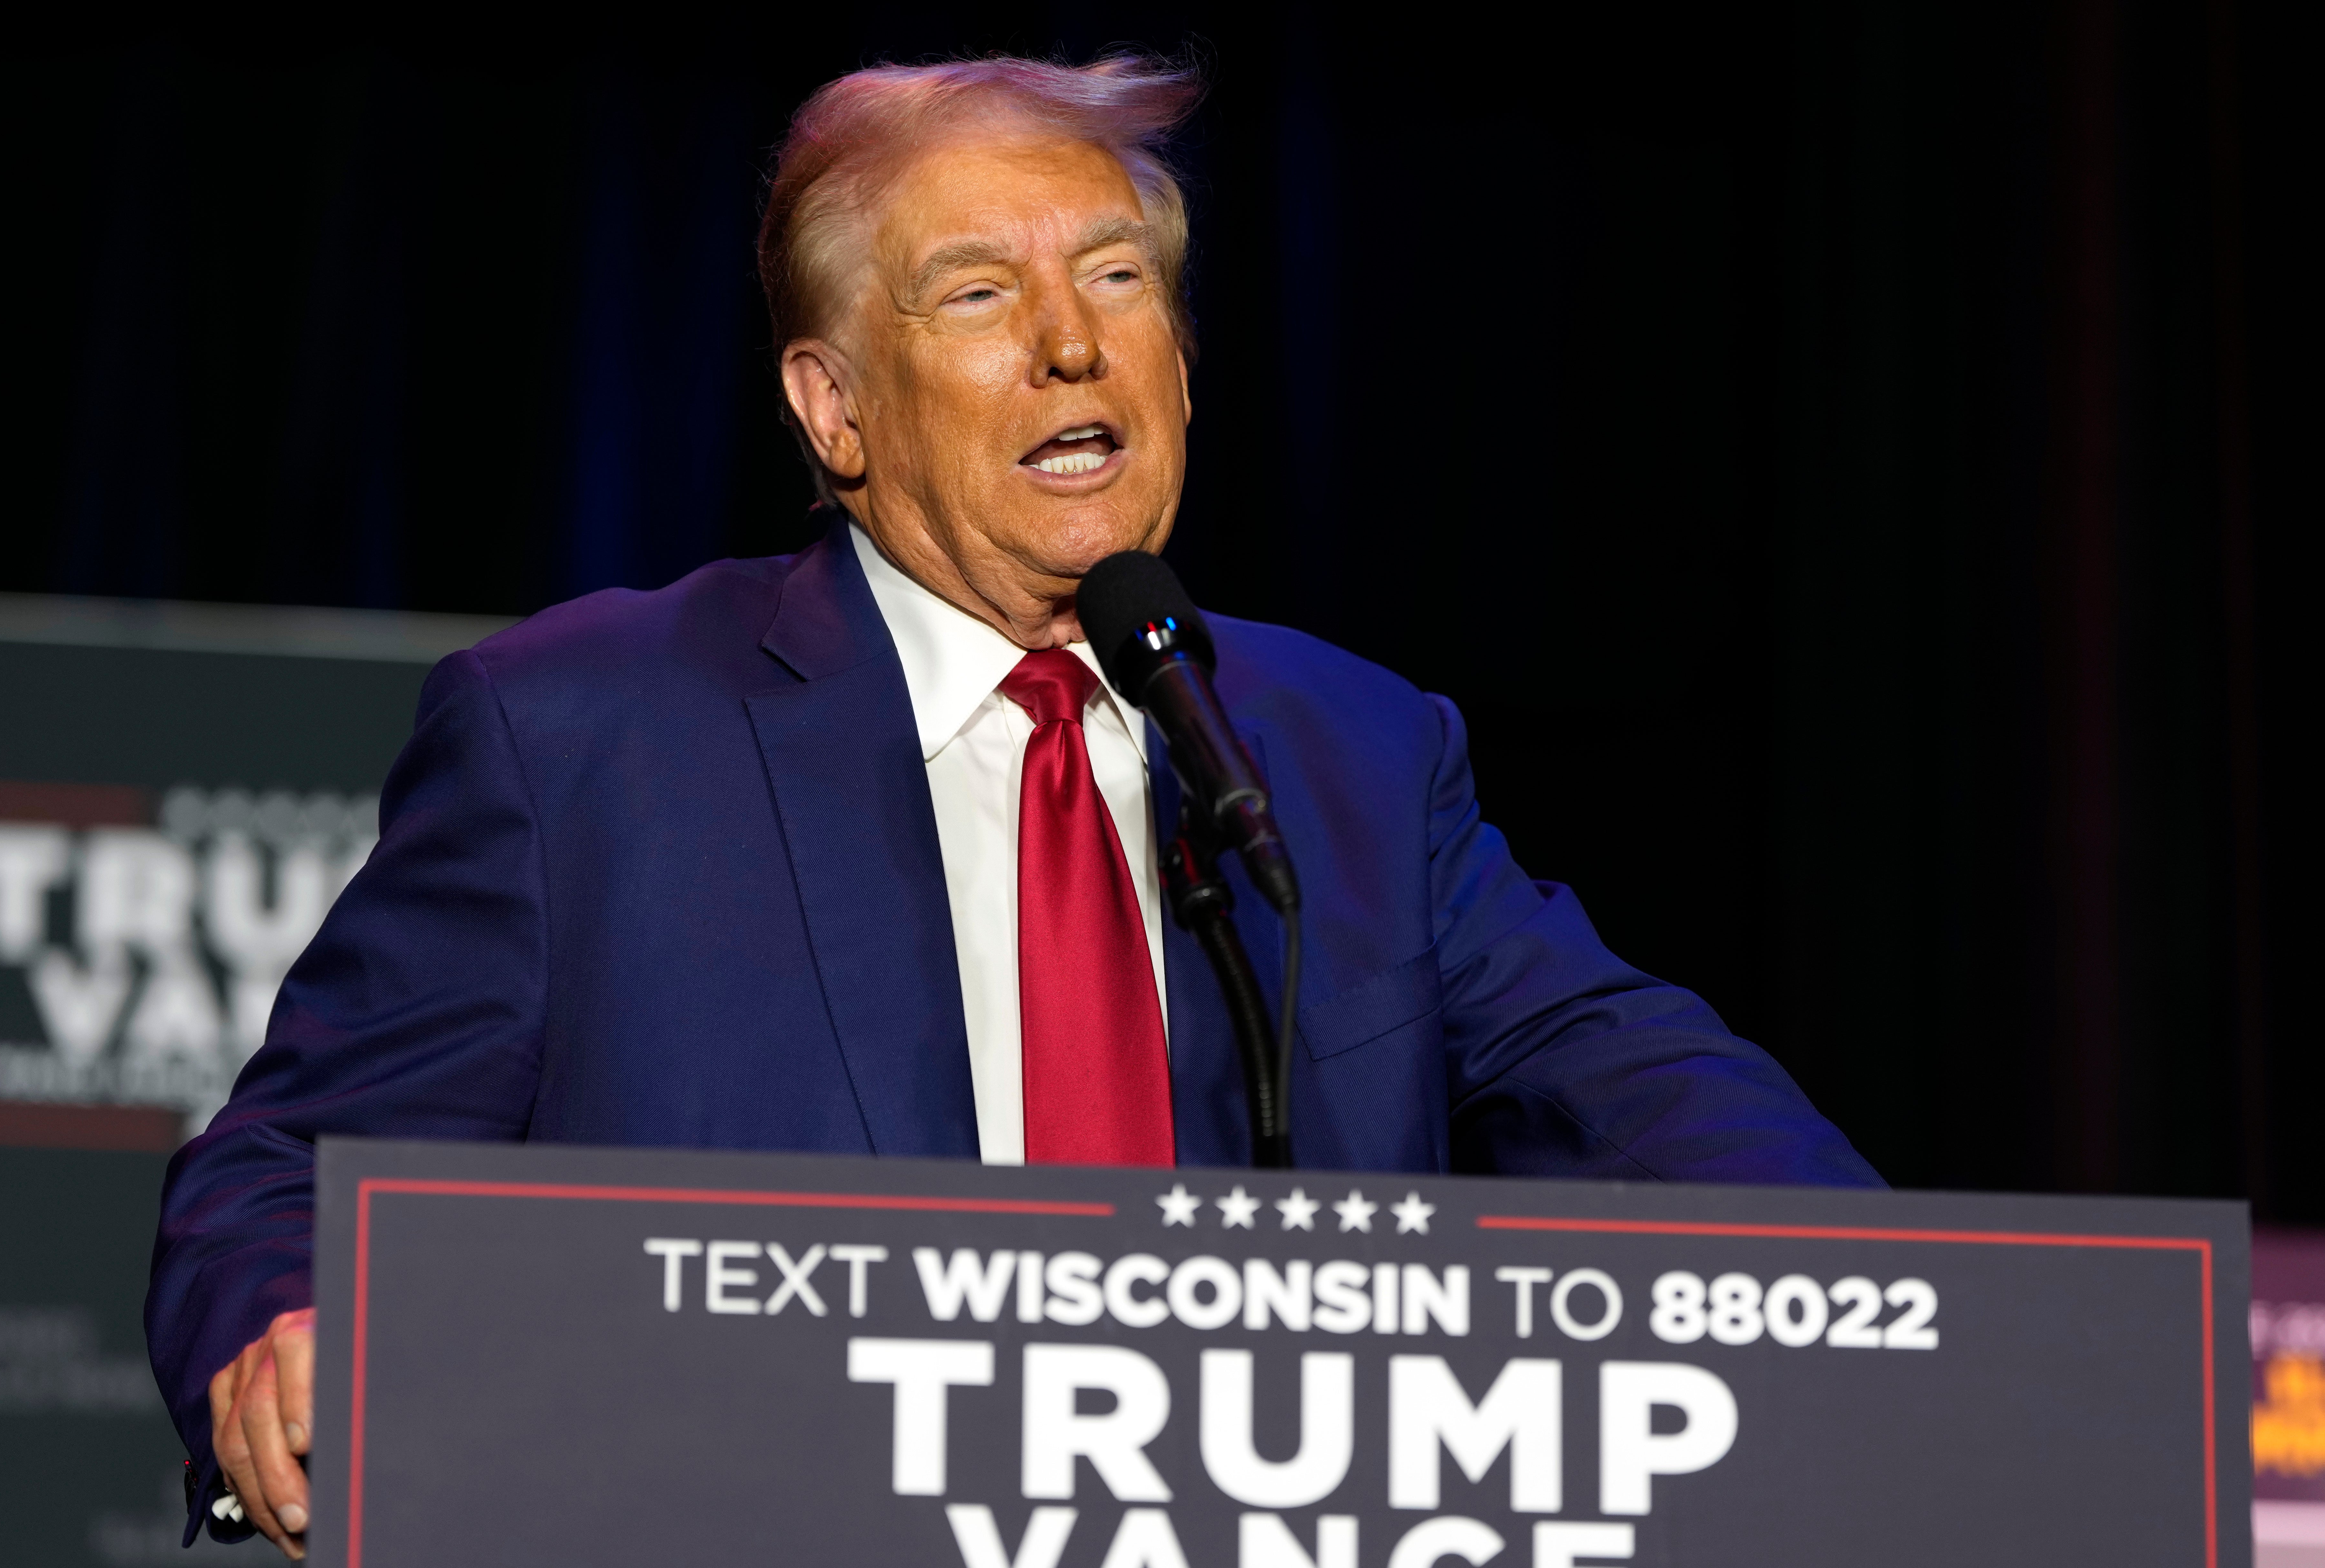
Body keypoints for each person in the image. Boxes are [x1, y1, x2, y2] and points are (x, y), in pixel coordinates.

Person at [146, 55, 1880, 1556]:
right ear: (835, 408)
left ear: (1181, 368)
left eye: (1117, 280)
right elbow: (279, 1171)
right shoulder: (582, 735)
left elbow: (1636, 1081)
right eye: (978, 293)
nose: (1069, 343)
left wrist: (1887, 1308)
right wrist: (280, 1325)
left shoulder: (1346, 746)